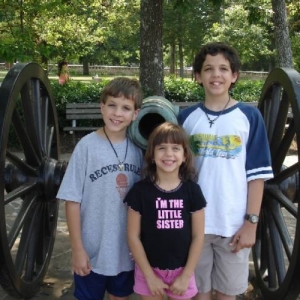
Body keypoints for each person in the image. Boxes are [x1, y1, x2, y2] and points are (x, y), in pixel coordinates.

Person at [178, 42, 274, 300]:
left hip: (233, 226)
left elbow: (257, 176)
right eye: (208, 69)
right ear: (198, 76)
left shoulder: (249, 117)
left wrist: (250, 224)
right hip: (194, 224)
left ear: (234, 76)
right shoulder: (186, 118)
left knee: (227, 294)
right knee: (198, 294)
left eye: (223, 69)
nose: (216, 75)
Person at [56, 77, 144, 300]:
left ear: (135, 114)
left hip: (125, 251)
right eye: (112, 105)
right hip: (91, 250)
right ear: (102, 107)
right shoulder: (86, 147)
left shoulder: (139, 150)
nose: (117, 113)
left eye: (126, 108)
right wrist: (77, 249)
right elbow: (72, 200)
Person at [124, 122, 206, 300]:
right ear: (152, 155)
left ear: (184, 156)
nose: (169, 154)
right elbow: (132, 236)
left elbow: (199, 236)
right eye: (161, 148)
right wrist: (149, 277)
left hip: (183, 271)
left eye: (176, 148)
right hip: (149, 270)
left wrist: (185, 276)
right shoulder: (139, 192)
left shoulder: (192, 191)